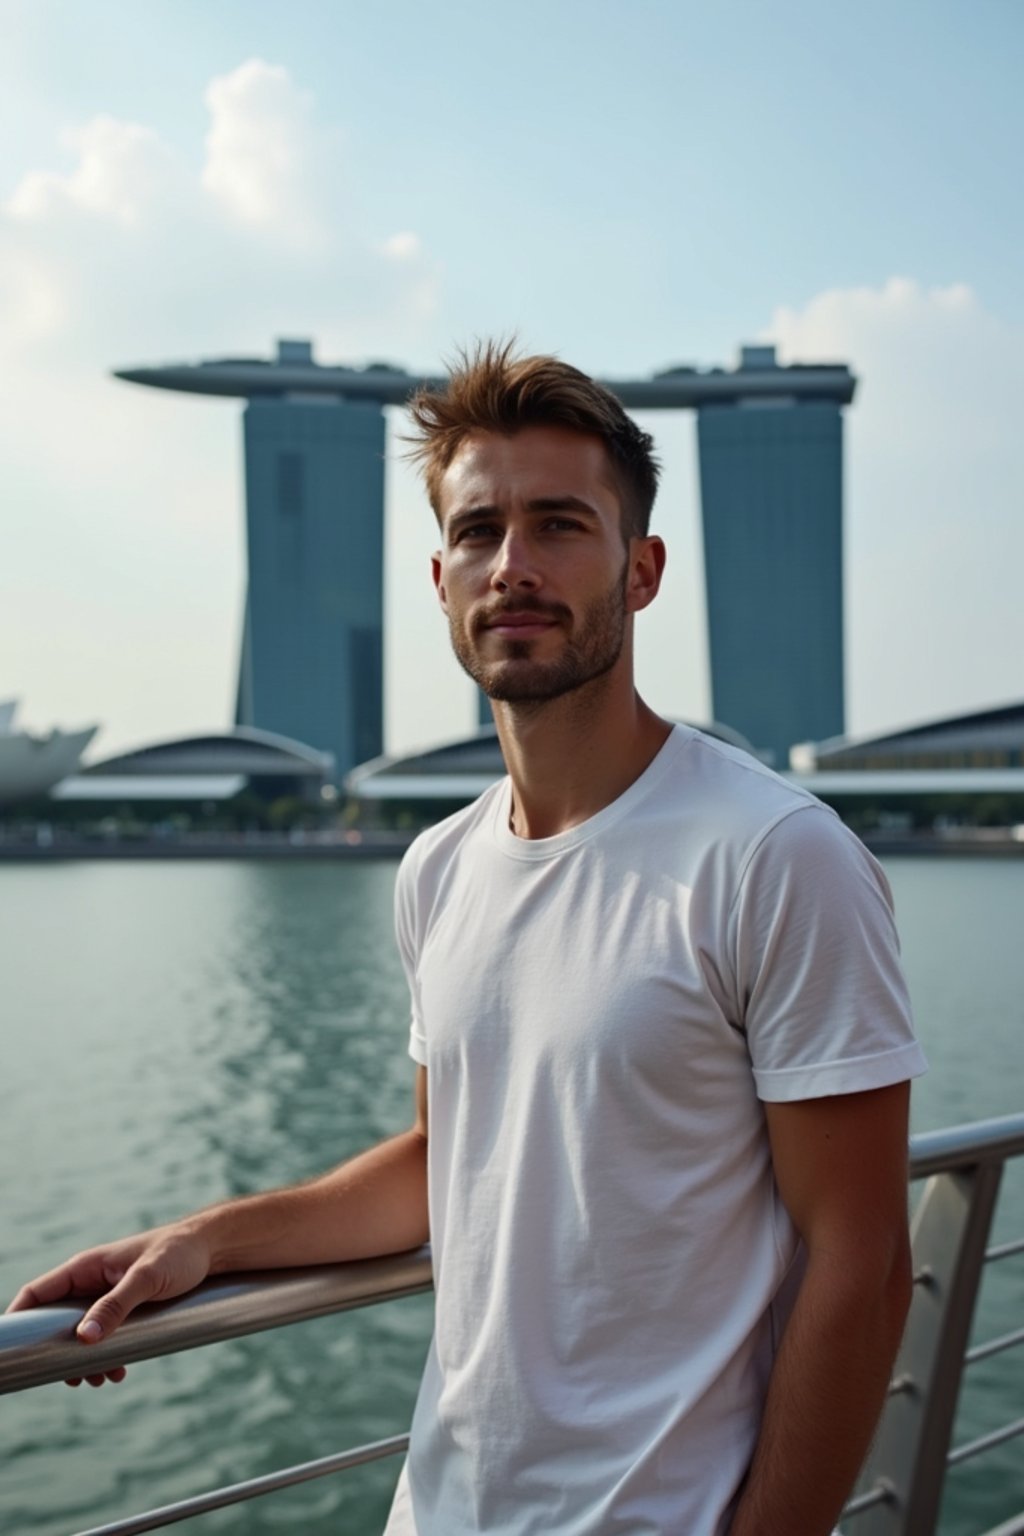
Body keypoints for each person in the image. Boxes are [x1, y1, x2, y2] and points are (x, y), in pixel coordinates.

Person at [8, 343, 927, 1536]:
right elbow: (444, 1161)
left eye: (560, 527)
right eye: (482, 532)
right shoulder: (438, 868)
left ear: (640, 570)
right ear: (440, 575)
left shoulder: (773, 854)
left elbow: (860, 1261)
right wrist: (200, 1243)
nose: (515, 568)